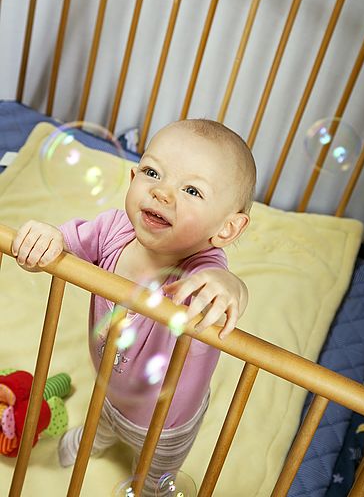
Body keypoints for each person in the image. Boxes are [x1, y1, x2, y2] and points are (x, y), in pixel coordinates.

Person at [12, 118, 256, 495]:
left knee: (154, 475)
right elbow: (64, 243)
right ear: (132, 177)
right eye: (152, 172)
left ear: (226, 229)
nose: (161, 192)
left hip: (166, 422)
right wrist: (48, 236)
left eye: (191, 190)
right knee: (102, 421)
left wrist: (229, 287)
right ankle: (94, 439)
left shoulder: (202, 273)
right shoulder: (112, 230)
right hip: (109, 386)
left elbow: (228, 290)